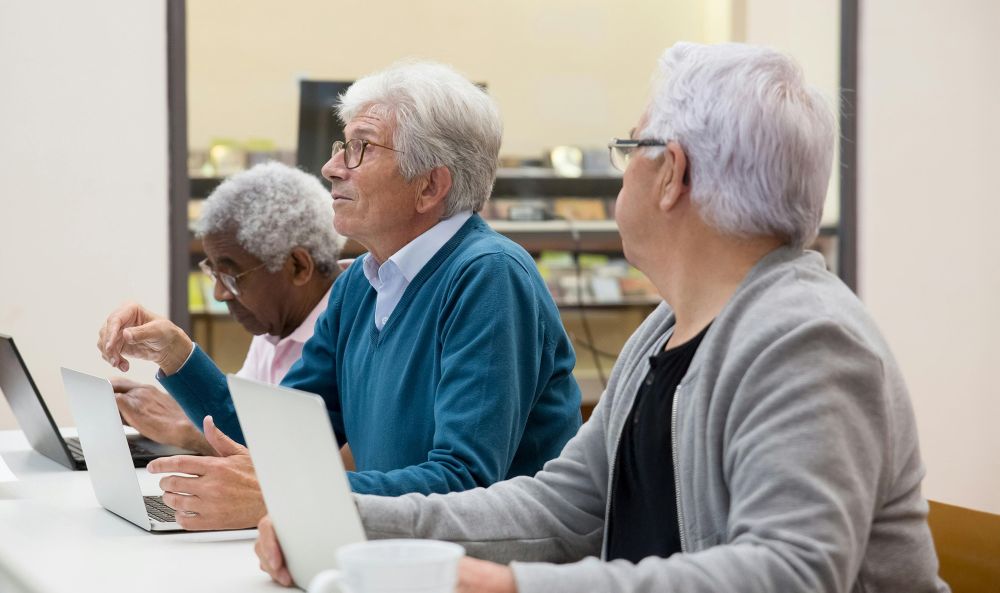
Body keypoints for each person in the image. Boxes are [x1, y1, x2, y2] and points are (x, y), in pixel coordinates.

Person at [256, 43, 950, 593]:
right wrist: (344, 520)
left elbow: (790, 573)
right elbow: (561, 506)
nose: (623, 173)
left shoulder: (806, 339)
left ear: (672, 174)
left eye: (632, 148)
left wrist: (512, 584)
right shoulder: (664, 330)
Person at [97, 60, 582, 531]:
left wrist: (285, 495)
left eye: (359, 148)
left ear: (430, 185)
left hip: (488, 564)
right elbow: (278, 438)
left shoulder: (489, 277)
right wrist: (177, 355)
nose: (330, 168)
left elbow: (465, 484)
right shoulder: (360, 285)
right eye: (340, 146)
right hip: (391, 553)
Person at [108, 161, 345, 457]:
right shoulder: (276, 325)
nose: (219, 293)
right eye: (214, 273)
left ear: (297, 266)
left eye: (232, 277)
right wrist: (181, 406)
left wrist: (186, 430)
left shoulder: (352, 325)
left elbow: (295, 456)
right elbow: (240, 423)